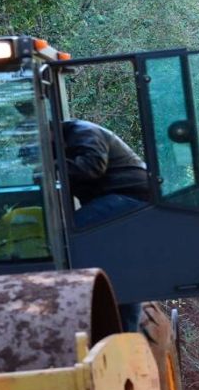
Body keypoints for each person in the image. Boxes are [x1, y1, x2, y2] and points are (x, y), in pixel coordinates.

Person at [61, 118, 149, 331]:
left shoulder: (83, 131)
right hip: (114, 198)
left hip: (129, 197)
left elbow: (93, 167)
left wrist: (49, 166)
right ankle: (122, 330)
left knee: (64, 240)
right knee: (114, 268)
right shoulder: (72, 138)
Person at [61, 119, 149, 227]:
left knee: (69, 230)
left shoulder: (84, 130)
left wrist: (53, 167)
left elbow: (92, 167)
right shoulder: (65, 141)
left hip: (130, 194)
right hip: (111, 195)